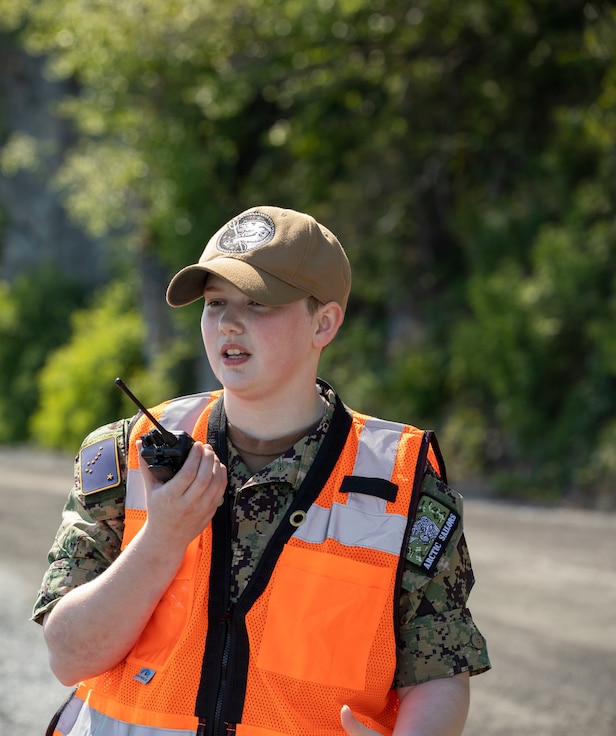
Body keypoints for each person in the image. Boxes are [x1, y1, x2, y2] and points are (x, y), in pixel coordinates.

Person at [31, 205, 491, 736]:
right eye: (216, 303)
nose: (228, 322)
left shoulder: (403, 483)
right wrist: (163, 538)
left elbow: (438, 670)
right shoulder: (125, 453)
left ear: (324, 322)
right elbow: (69, 656)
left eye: (258, 303)